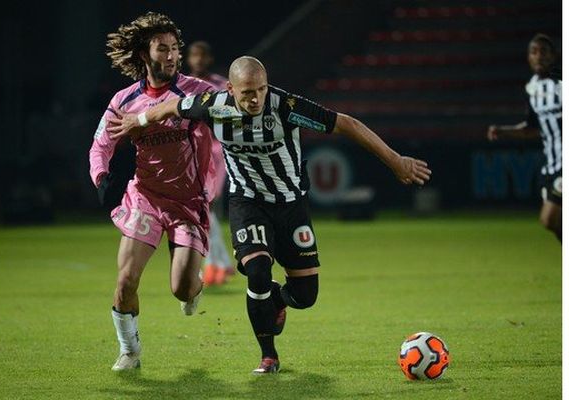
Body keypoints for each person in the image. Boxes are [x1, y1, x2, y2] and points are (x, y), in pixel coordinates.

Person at [107, 56, 431, 374]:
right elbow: (172, 107)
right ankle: (268, 356)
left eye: (260, 89)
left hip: (291, 205)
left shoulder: (286, 107)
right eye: (247, 92)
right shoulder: (212, 104)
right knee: (257, 272)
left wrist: (395, 160)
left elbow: (346, 123)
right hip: (247, 203)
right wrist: (140, 120)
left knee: (305, 296)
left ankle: (278, 299)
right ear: (231, 91)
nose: (255, 98)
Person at [89, 12, 218, 372]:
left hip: (188, 201)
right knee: (126, 279)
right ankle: (129, 349)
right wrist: (101, 177)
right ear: (145, 55)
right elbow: (101, 145)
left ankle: (193, 286)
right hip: (145, 197)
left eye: (175, 48)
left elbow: (223, 113)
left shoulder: (198, 92)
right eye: (163, 49)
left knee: (181, 289)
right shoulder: (124, 99)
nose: (172, 55)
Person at [487, 33, 562, 242]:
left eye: (543, 52)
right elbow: (532, 128)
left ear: (554, 56)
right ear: (528, 57)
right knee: (555, 224)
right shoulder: (533, 89)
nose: (538, 57)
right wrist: (503, 131)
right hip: (552, 166)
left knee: (548, 218)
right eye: (534, 52)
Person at [186, 41, 234, 286]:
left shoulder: (221, 84)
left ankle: (216, 264)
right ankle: (220, 263)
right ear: (189, 58)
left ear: (210, 58)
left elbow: (233, 112)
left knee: (209, 204)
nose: (199, 59)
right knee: (203, 207)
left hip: (216, 150)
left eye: (203, 55)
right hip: (190, 151)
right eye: (195, 55)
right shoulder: (182, 84)